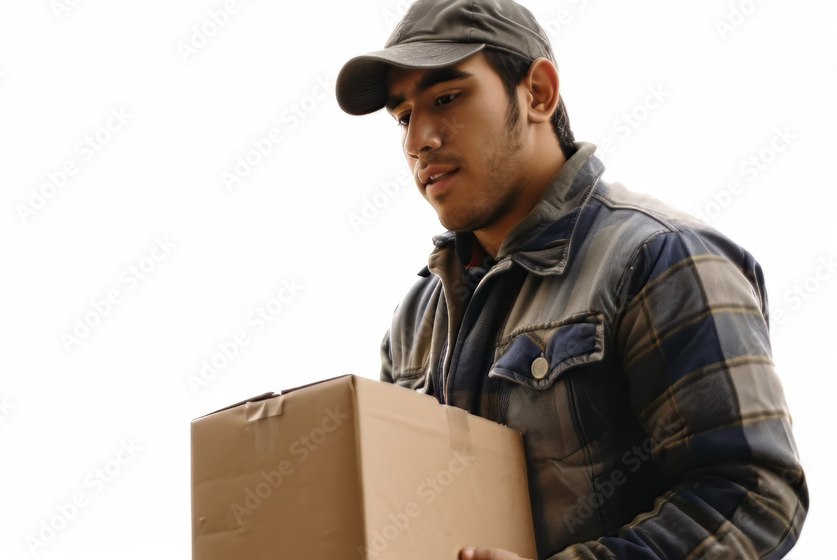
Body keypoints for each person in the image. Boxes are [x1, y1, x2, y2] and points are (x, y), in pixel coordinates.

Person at [334, 0, 808, 558]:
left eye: (446, 98)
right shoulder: (418, 317)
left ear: (538, 92)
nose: (420, 140)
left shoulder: (663, 258)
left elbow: (755, 495)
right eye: (404, 116)